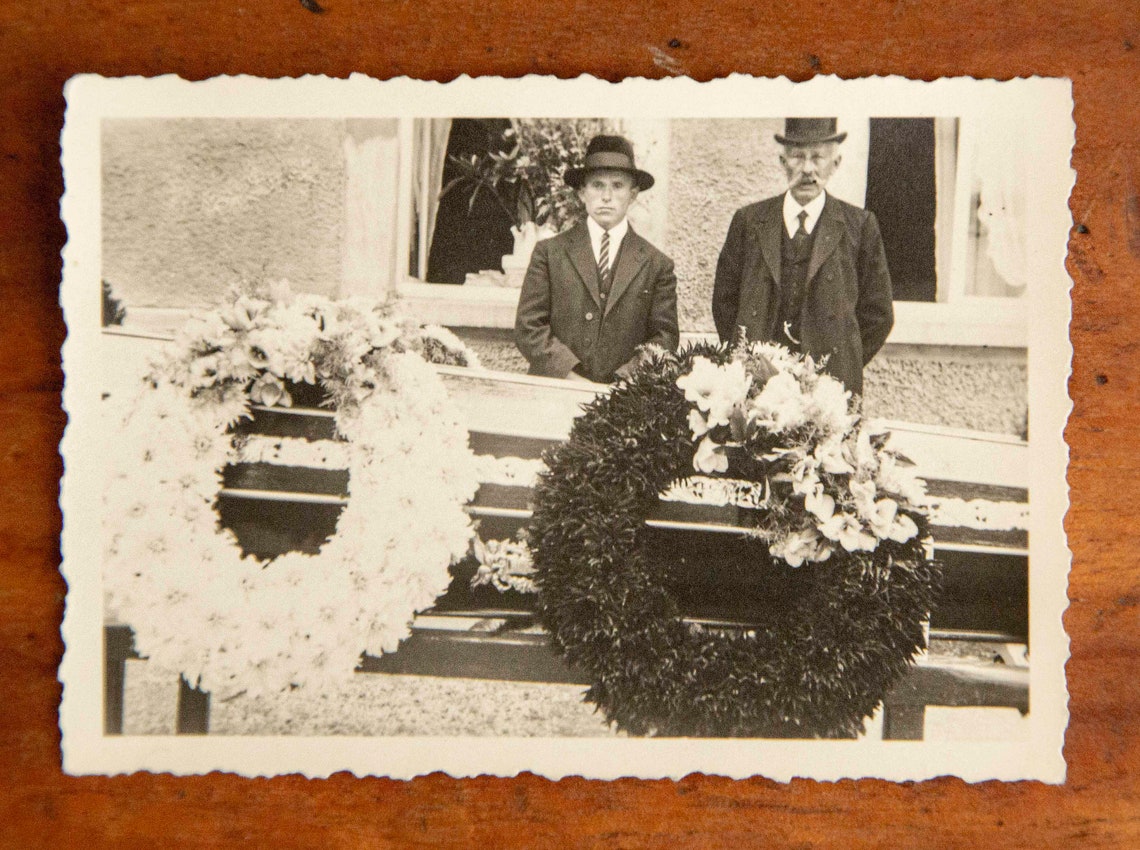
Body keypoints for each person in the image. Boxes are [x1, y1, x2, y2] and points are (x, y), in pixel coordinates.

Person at [712, 118, 893, 397]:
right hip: (758, 381)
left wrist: (842, 360)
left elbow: (879, 315)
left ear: (835, 164)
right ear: (783, 162)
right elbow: (724, 302)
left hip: (829, 387)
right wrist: (747, 360)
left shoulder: (859, 226)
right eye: (798, 156)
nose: (807, 169)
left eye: (818, 157)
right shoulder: (749, 221)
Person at [515, 135, 679, 383]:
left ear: (633, 194)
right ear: (582, 193)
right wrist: (571, 378)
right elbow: (529, 328)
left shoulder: (657, 265)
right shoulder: (549, 253)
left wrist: (623, 383)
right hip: (556, 390)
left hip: (624, 397)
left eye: (618, 186)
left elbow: (664, 339)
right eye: (597, 185)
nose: (606, 196)